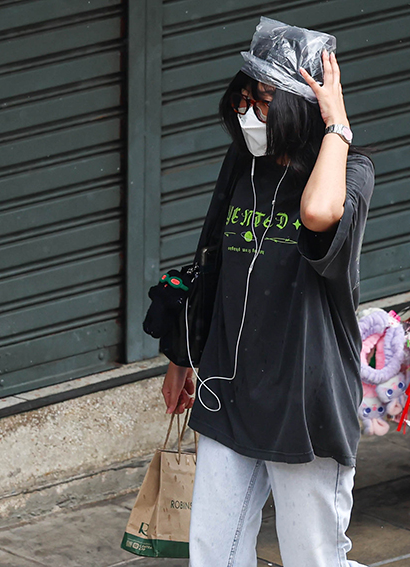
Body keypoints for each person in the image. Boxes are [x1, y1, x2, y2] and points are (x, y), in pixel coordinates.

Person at [159, 18, 374, 567]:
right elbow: (210, 261)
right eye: (246, 98)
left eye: (267, 101)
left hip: (303, 401)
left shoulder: (349, 173)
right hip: (227, 388)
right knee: (213, 553)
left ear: (303, 107)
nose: (250, 113)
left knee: (311, 557)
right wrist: (182, 358)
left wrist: (337, 127)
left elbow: (317, 214)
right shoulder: (241, 164)